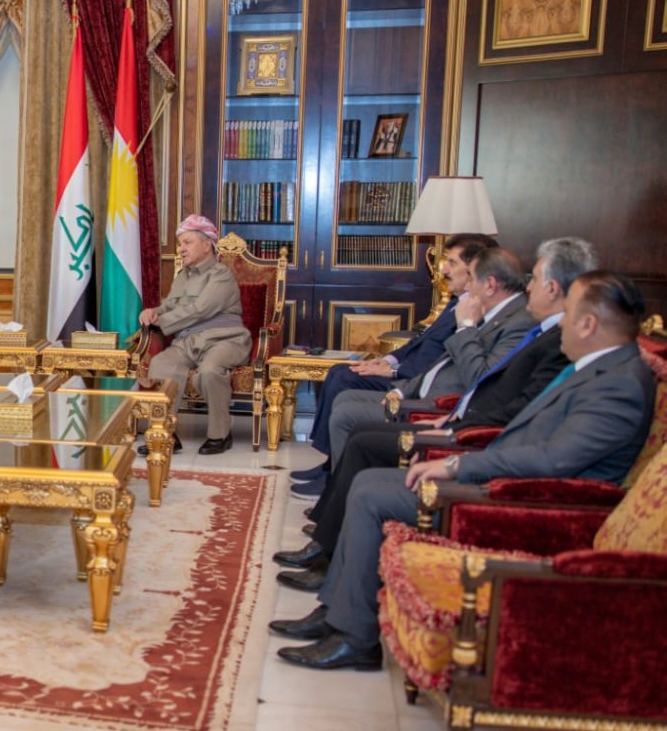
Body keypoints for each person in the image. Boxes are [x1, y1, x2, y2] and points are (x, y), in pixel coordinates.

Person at [271, 270, 656, 671]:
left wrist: (457, 463)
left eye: (569, 312)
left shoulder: (619, 385)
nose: (561, 323)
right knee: (367, 481)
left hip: (527, 505)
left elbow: (552, 461)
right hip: (507, 478)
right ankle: (338, 614)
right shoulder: (600, 369)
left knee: (371, 494)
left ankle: (354, 637)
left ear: (588, 324)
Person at [269, 237, 593, 593]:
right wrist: (415, 395)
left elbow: (487, 386)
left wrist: (454, 437)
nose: (528, 286)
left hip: (468, 438)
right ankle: (326, 545)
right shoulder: (535, 330)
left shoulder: (533, 332)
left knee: (361, 443)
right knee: (355, 420)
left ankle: (330, 564)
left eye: (535, 279)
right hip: (451, 416)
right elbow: (447, 366)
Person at [310, 243, 535, 491]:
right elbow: (437, 358)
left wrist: (466, 327)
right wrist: (400, 386)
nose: (468, 286)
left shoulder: (507, 321)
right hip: (420, 391)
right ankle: (332, 483)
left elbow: (480, 379)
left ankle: (334, 488)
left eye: (470, 277)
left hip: (437, 407)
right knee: (344, 394)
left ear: (490, 285)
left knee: (347, 411)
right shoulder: (480, 309)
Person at [135, 214, 251, 455]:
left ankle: (220, 435)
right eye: (180, 243)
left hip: (224, 339)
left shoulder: (221, 274)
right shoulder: (183, 276)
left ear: (207, 245)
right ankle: (166, 433)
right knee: (161, 363)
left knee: (209, 371)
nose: (181, 249)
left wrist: (161, 323)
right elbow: (169, 305)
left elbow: (201, 309)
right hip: (188, 340)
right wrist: (153, 312)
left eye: (187, 242)